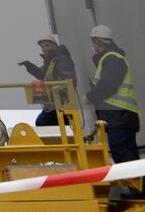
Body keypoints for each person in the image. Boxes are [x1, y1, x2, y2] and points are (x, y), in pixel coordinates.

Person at [85, 25, 140, 172]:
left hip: (118, 113)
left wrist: (90, 96)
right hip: (121, 114)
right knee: (125, 150)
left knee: (121, 150)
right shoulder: (112, 58)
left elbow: (108, 84)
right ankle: (136, 186)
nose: (93, 47)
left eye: (94, 43)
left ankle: (135, 187)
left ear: (99, 43)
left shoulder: (112, 58)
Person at [18, 34, 77, 128]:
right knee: (56, 123)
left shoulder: (62, 59)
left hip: (60, 101)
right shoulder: (51, 61)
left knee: (43, 122)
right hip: (53, 101)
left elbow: (69, 78)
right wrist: (29, 65)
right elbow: (42, 74)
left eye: (47, 45)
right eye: (42, 46)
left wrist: (58, 90)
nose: (44, 48)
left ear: (55, 46)